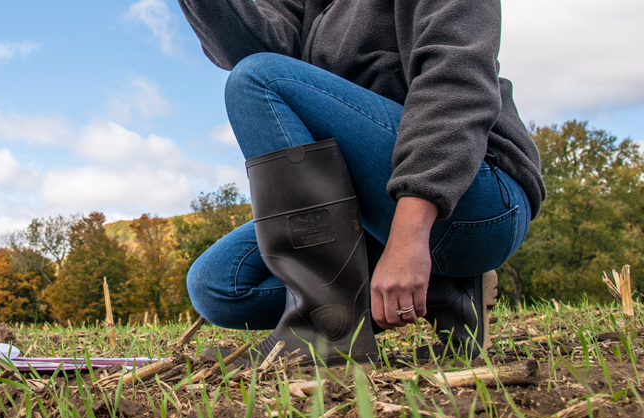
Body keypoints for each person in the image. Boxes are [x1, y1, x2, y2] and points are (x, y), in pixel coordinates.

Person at [178, 0, 545, 364]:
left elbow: (457, 82)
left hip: (473, 196)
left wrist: (407, 238)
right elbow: (252, 51)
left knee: (258, 77)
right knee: (218, 285)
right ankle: (448, 291)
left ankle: (327, 331)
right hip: (373, 211)